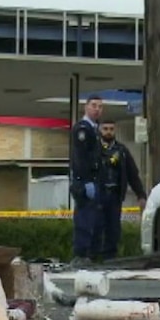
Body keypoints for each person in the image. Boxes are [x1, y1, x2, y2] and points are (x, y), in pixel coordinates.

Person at [94, 119, 148, 261]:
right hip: (97, 196)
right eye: (105, 129)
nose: (108, 132)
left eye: (111, 129)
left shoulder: (122, 151)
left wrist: (141, 195)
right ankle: (93, 258)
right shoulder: (94, 149)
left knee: (113, 229)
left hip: (114, 196)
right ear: (100, 130)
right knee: (96, 227)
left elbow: (132, 174)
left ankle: (110, 258)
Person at [69, 94, 104, 267]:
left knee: (94, 221)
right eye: (94, 105)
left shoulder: (94, 129)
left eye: (100, 106)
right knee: (84, 220)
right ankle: (81, 254)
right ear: (86, 107)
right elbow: (81, 158)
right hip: (84, 182)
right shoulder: (83, 128)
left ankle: (90, 255)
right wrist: (85, 181)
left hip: (93, 181)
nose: (97, 109)